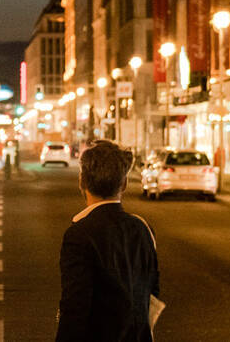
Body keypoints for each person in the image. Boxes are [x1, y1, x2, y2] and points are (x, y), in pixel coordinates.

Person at [56, 139, 160, 341]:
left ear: (82, 181)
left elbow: (75, 308)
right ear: (124, 184)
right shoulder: (143, 229)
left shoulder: (78, 235)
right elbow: (152, 293)